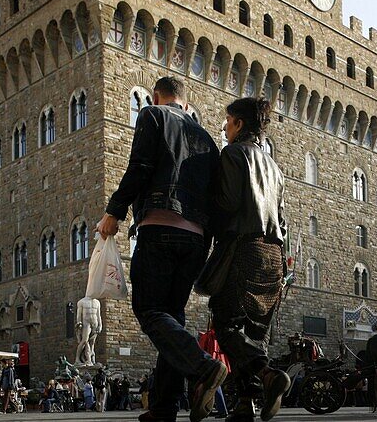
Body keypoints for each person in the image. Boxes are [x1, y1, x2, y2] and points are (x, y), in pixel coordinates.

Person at [96, 76, 227, 422]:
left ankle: (203, 368)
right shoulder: (207, 139)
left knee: (149, 309)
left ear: (156, 97)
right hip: (196, 239)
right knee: (174, 316)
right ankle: (164, 406)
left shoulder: (152, 115)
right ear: (185, 103)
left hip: (159, 226)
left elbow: (139, 167)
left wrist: (114, 211)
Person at [208, 97, 292, 422]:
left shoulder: (233, 153)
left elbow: (227, 204)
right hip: (275, 254)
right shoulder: (275, 167)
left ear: (240, 124)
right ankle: (247, 402)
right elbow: (282, 219)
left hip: (245, 248)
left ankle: (267, 374)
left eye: (228, 121)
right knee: (255, 330)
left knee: (225, 322)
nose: (224, 127)